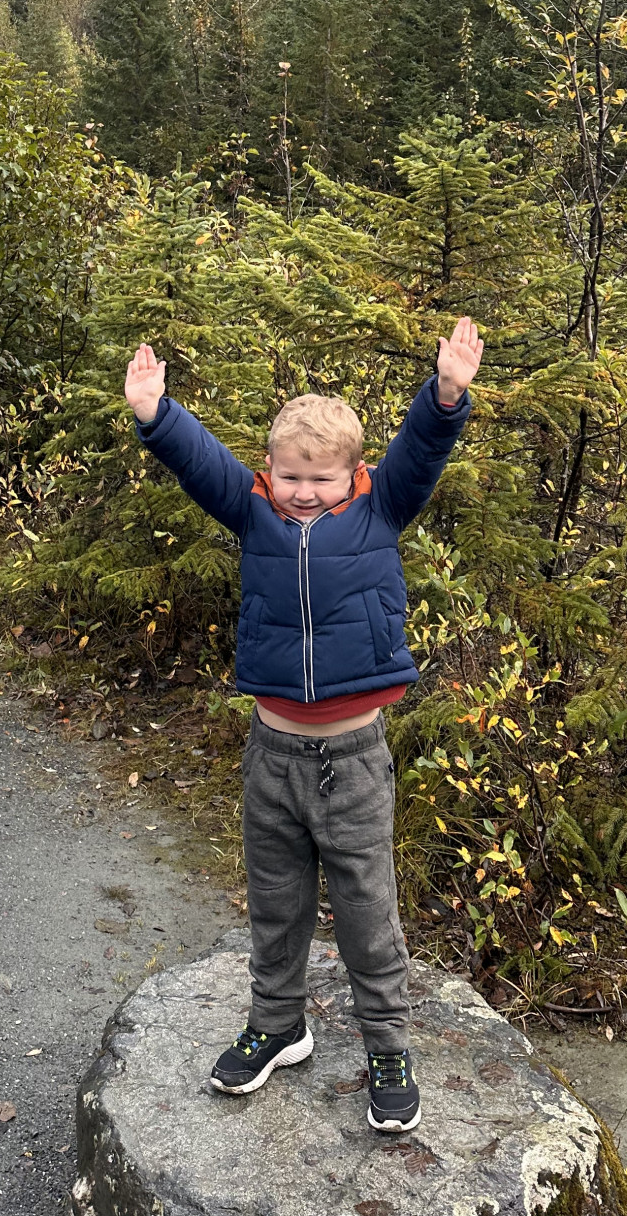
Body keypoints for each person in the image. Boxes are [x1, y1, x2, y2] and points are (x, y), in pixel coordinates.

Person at [124, 316, 483, 1135]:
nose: (304, 492)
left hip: (353, 758)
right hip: (273, 754)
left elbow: (422, 449)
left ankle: (387, 1047)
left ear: (353, 473)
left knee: (366, 912)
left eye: (321, 478)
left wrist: (446, 394)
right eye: (290, 476)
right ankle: (278, 1025)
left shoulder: (382, 508)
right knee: (276, 903)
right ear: (270, 472)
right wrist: (155, 413)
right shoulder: (254, 513)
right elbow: (202, 462)